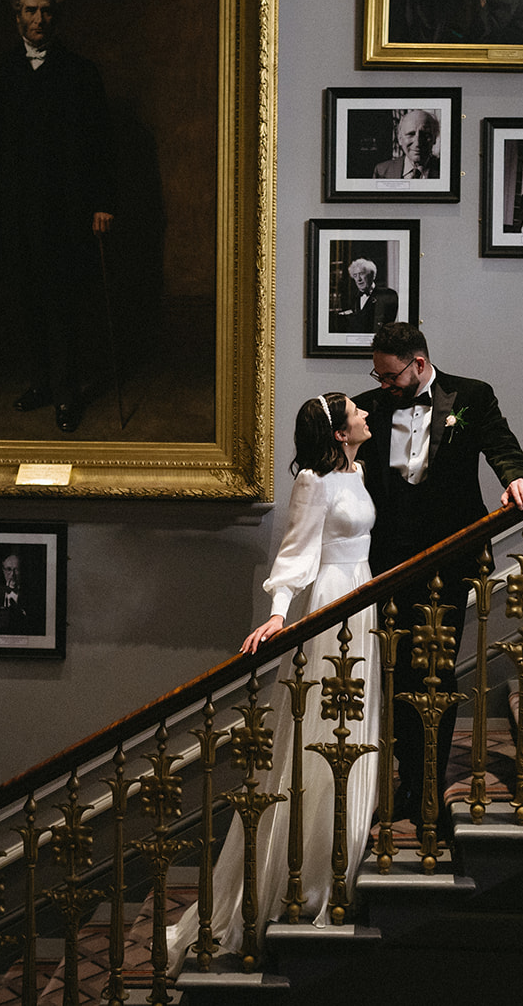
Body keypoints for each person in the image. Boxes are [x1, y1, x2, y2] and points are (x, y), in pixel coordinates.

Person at [167, 391, 378, 971]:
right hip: (333, 600)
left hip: (363, 596)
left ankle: (345, 851)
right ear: (339, 433)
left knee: (354, 725)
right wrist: (280, 613)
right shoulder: (313, 481)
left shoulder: (357, 471)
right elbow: (295, 553)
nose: (366, 414)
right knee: (322, 732)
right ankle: (304, 874)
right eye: (356, 412)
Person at [352, 322, 523, 826]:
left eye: (391, 375)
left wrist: (518, 477)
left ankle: (429, 782)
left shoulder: (471, 396)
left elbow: (501, 446)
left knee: (435, 670)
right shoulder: (367, 407)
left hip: (450, 560)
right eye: (378, 375)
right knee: (396, 674)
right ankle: (408, 776)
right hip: (386, 562)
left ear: (419, 363)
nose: (383, 384)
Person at [0, 0, 117, 434]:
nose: (38, 19)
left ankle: (67, 393)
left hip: (66, 209)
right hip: (16, 208)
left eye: (46, 10)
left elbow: (102, 144)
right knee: (27, 299)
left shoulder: (81, 72)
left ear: (56, 15)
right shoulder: (0, 71)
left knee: (62, 303)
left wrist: (102, 203)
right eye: (30, 11)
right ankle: (42, 384)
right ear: (17, 16)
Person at [0, 552, 44, 635]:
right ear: (3, 570)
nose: (12, 575)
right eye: (8, 569)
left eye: (16, 570)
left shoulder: (33, 595)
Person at [332, 258, 399, 334]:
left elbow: (386, 326)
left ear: (372, 275)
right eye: (355, 275)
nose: (358, 279)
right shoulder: (353, 298)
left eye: (361, 274)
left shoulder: (387, 294)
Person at [371, 109, 440, 180]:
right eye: (411, 134)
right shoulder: (382, 171)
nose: (417, 143)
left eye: (425, 135)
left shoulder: (444, 170)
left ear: (434, 138)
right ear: (400, 139)